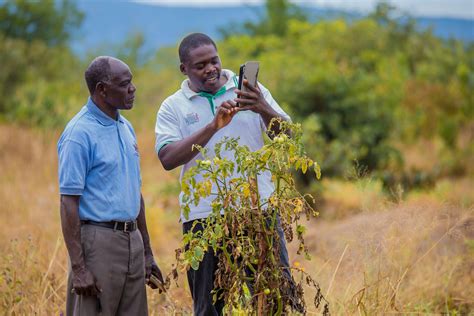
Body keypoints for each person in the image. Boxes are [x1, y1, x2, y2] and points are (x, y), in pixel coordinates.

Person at [154, 33, 294, 315]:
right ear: (184, 69)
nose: (210, 69)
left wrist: (261, 107)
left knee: (274, 298)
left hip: (258, 210)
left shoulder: (249, 89)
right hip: (203, 218)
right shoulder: (173, 106)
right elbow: (167, 158)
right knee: (208, 307)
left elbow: (287, 136)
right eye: (200, 65)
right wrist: (212, 127)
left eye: (214, 61)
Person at [58, 56, 163, 316]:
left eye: (132, 82)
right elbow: (68, 201)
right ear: (102, 89)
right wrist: (80, 268)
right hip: (98, 243)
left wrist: (147, 253)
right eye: (125, 83)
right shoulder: (79, 134)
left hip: (132, 242)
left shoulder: (125, 127)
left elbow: (134, 193)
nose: (133, 88)